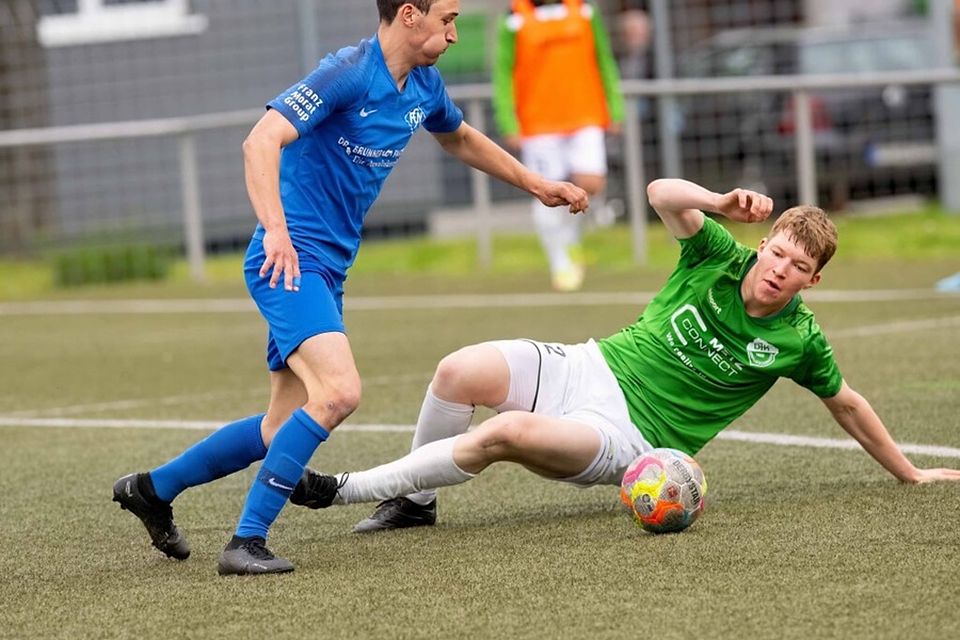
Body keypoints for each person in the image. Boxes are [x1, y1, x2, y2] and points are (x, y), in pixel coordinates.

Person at [111, 0, 588, 576]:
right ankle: (246, 541)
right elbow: (260, 141)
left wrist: (536, 183)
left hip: (328, 268)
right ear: (409, 14)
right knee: (338, 393)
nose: (455, 34)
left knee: (277, 427)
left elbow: (459, 138)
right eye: (446, 20)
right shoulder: (346, 73)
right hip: (289, 260)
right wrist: (278, 233)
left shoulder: (423, 85)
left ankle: (152, 489)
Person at [289, 177, 960, 530]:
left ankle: (348, 490)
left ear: (814, 280)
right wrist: (719, 202)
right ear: (764, 246)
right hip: (588, 364)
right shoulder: (716, 253)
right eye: (778, 252)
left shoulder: (799, 341)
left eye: (798, 265)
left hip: (626, 436)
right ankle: (417, 505)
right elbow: (659, 195)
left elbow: (846, 403)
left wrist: (907, 473)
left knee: (504, 433)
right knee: (458, 369)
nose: (781, 268)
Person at [492, 0, 624, 292]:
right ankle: (560, 261)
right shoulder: (514, 18)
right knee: (547, 192)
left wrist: (614, 107)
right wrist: (508, 120)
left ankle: (572, 241)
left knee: (591, 182)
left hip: (584, 112)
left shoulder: (585, 11)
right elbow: (503, 73)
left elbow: (603, 60)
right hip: (539, 123)